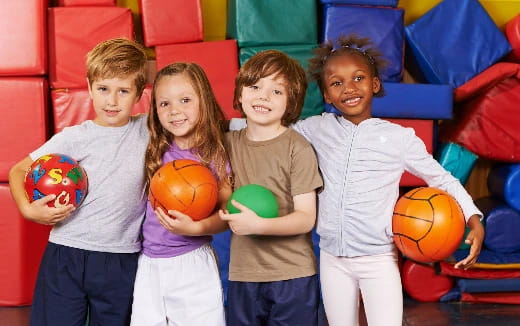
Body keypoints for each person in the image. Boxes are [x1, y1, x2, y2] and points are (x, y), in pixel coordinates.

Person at [230, 34, 485, 326]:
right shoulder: (315, 129)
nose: (348, 88)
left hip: (378, 260)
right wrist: (219, 128)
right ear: (326, 94)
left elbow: (440, 178)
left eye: (358, 78)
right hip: (331, 259)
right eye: (336, 83)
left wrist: (473, 217)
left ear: (374, 84)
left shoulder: (398, 138)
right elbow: (271, 130)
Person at [8, 38, 149, 326]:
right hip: (67, 252)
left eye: (123, 91)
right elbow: (18, 170)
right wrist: (28, 210)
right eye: (103, 89)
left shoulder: (148, 129)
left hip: (121, 257)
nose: (112, 101)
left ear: (138, 94)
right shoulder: (75, 137)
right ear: (89, 88)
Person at [219, 50, 323, 325]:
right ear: (240, 94)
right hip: (244, 275)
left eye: (276, 91)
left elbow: (305, 218)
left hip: (293, 276)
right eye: (254, 86)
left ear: (291, 103)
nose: (263, 96)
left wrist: (259, 226)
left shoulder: (297, 148)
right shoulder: (227, 145)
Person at [130, 62, 231, 326]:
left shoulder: (214, 154)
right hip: (149, 263)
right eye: (164, 104)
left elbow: (226, 213)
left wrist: (197, 227)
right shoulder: (155, 147)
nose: (175, 110)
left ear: (204, 101)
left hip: (192, 264)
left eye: (185, 100)